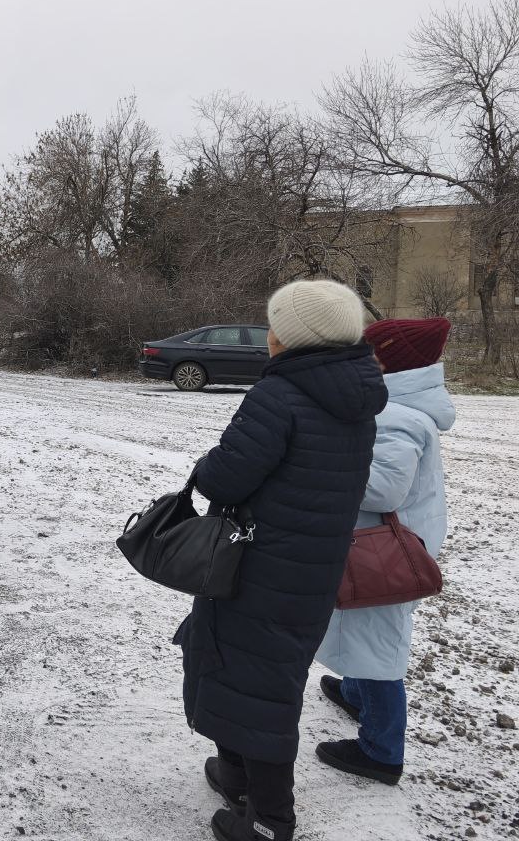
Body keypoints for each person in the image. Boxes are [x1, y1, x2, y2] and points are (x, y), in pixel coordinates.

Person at [174, 279, 388, 841]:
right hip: (311, 569)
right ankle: (237, 774)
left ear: (294, 339)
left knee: (251, 679)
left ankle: (270, 818)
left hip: (257, 565)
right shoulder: (357, 396)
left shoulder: (279, 394)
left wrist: (206, 463)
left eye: (275, 325)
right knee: (259, 672)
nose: (268, 335)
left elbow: (224, 476)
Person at [313, 317, 454, 785]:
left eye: (369, 354)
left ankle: (381, 752)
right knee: (363, 628)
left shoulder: (397, 415)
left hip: (385, 550)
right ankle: (356, 693)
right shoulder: (395, 406)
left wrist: (326, 460)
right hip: (385, 543)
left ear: (388, 361)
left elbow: (383, 490)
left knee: (378, 646)